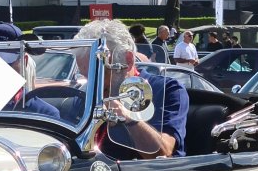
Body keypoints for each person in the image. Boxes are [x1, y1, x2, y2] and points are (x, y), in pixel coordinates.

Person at [76, 19, 187, 160]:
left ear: (128, 61)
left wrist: (128, 117)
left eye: (98, 74)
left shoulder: (167, 90)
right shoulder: (86, 95)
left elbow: (164, 152)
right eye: (86, 76)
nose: (92, 83)